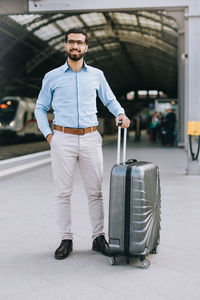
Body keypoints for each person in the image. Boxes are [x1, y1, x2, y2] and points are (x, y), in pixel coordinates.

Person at [35, 27, 130, 260]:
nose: (75, 46)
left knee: (95, 192)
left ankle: (99, 238)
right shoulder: (52, 76)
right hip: (62, 139)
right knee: (62, 193)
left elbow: (109, 99)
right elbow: (40, 108)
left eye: (79, 43)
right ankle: (65, 239)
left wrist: (121, 113)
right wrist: (49, 136)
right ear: (65, 46)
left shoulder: (96, 74)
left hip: (90, 138)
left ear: (86, 47)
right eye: (71, 42)